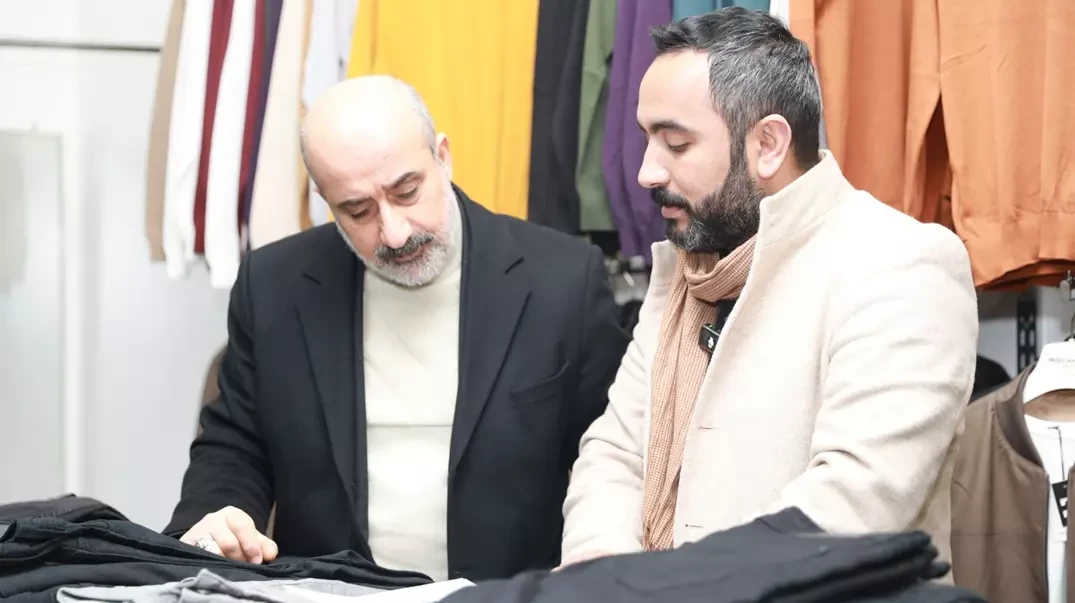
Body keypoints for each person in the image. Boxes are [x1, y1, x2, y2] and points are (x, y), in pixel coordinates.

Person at [165, 75, 630, 582]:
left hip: (506, 594)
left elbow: (614, 456)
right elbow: (235, 446)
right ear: (325, 200)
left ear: (443, 157)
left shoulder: (562, 280)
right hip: (330, 593)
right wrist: (215, 523)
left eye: (407, 192)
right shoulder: (274, 286)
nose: (394, 232)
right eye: (357, 210)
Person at [560, 7, 978, 569]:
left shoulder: (902, 265)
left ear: (769, 144)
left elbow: (852, 505)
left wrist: (658, 588)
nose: (646, 173)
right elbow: (615, 454)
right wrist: (601, 571)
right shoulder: (690, 270)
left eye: (676, 144)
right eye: (647, 140)